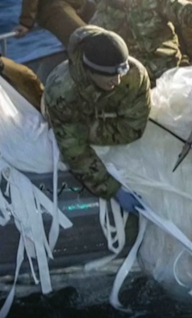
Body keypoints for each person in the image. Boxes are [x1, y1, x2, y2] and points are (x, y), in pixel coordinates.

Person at [42, 25, 149, 205]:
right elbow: (75, 149)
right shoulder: (61, 91)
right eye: (109, 75)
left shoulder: (134, 74)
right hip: (68, 118)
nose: (117, 80)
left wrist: (98, 123)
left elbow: (134, 128)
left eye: (120, 71)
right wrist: (112, 189)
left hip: (95, 119)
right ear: (90, 70)